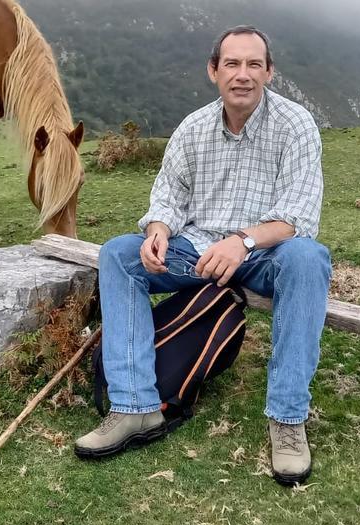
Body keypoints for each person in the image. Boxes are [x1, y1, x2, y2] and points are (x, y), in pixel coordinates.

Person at [74, 25, 331, 486]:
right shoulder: (193, 128)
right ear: (214, 71)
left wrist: (242, 241)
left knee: (308, 259)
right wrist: (157, 231)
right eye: (232, 63)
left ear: (269, 72)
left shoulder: (296, 125)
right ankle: (135, 407)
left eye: (253, 64)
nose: (242, 74)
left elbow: (297, 216)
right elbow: (167, 198)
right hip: (197, 250)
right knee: (119, 254)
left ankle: (288, 420)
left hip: (265, 254)